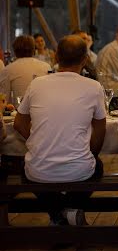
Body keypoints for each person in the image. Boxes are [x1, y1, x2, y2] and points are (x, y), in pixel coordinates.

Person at [13, 35, 106, 226]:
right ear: (85, 59)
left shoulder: (37, 84)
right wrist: (90, 153)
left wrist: (37, 141)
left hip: (38, 169)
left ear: (56, 57)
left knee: (27, 170)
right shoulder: (94, 87)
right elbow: (100, 130)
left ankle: (56, 214)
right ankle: (69, 210)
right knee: (97, 167)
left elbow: (19, 123)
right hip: (80, 169)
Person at [0, 35, 51, 103]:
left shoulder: (7, 70)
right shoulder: (47, 67)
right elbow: (51, 92)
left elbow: (3, 99)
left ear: (15, 51)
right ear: (33, 49)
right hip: (44, 110)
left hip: (18, 111)